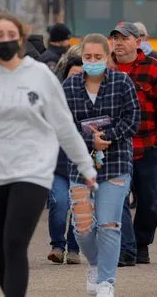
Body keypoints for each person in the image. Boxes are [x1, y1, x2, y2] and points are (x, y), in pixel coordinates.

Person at [0, 12, 97, 297]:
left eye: (11, 35)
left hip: (32, 169)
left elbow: (63, 124)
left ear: (21, 39)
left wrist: (85, 165)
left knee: (15, 243)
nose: (6, 40)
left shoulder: (39, 75)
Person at [63, 33, 140, 297]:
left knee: (109, 224)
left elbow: (133, 120)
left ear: (108, 57)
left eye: (98, 57)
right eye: (87, 57)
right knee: (83, 228)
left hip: (116, 162)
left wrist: (105, 138)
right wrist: (88, 139)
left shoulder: (122, 82)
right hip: (81, 164)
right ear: (81, 56)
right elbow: (62, 124)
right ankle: (94, 263)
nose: (93, 61)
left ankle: (107, 280)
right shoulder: (70, 86)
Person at [111, 22, 157, 266]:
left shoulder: (153, 68)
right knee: (117, 200)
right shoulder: (106, 68)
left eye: (124, 38)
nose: (118, 43)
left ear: (138, 42)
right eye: (116, 38)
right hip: (115, 148)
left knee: (149, 203)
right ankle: (126, 248)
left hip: (147, 147)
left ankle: (142, 244)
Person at [47, 45, 84, 265]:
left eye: (81, 76)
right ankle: (57, 245)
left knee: (80, 207)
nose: (76, 81)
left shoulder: (95, 102)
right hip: (58, 163)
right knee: (59, 202)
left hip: (83, 164)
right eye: (72, 76)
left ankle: (74, 248)